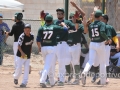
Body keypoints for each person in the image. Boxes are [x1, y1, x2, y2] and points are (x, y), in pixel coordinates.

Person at [36, 14, 68, 88]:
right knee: (47, 65)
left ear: (45, 21)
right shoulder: (54, 27)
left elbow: (38, 39)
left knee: (49, 65)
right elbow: (66, 30)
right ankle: (42, 80)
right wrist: (63, 24)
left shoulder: (41, 28)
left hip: (43, 48)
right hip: (51, 48)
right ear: (52, 20)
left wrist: (39, 47)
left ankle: (52, 81)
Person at [81, 10, 111, 85]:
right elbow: (102, 32)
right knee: (102, 62)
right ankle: (103, 81)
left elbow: (90, 36)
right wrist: (107, 39)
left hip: (92, 43)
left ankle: (84, 72)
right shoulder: (102, 23)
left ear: (95, 16)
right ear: (100, 17)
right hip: (100, 43)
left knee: (90, 61)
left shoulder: (91, 24)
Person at [13, 23, 34, 87]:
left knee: (26, 69)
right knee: (19, 68)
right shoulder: (22, 36)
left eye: (28, 30)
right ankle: (15, 77)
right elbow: (19, 46)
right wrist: (22, 52)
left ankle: (24, 82)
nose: (27, 31)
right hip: (20, 55)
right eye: (25, 29)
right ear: (24, 30)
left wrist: (29, 54)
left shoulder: (32, 36)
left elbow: (30, 45)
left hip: (27, 55)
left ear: (30, 30)